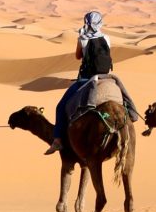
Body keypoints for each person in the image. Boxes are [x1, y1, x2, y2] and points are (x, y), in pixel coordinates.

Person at [45, 11, 111, 155]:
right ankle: (131, 112)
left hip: (87, 80)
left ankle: (57, 141)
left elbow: (77, 56)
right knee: (122, 95)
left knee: (61, 106)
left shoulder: (83, 38)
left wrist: (81, 39)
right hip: (106, 78)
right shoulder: (106, 38)